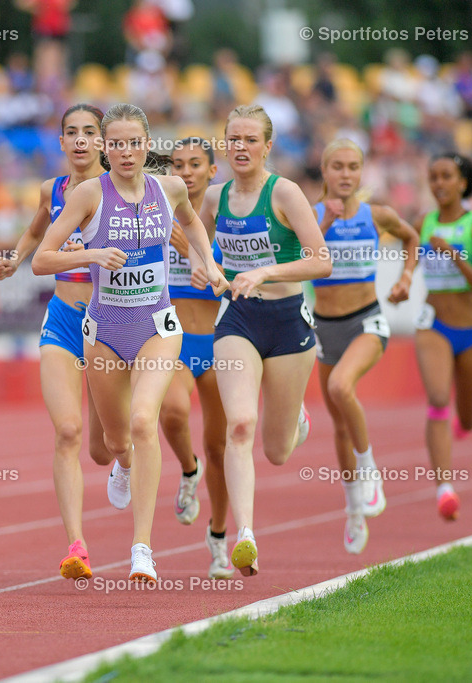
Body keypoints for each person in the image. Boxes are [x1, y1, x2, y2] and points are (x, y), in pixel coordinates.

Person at [32, 103, 225, 583]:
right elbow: (40, 259)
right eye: (114, 143)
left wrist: (210, 262)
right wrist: (95, 252)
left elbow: (193, 221)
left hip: (157, 326)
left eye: (133, 142)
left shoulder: (170, 187)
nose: (124, 151)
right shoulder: (86, 196)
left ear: (145, 144)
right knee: (113, 442)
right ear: (105, 147)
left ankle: (142, 549)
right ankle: (122, 467)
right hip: (104, 331)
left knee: (144, 422)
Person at [197, 104, 332, 576]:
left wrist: (267, 271)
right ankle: (246, 535)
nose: (240, 147)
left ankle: (295, 415)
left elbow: (321, 261)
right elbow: (195, 241)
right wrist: (206, 268)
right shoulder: (214, 199)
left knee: (276, 451)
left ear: (267, 146)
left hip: (288, 321)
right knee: (238, 424)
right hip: (238, 319)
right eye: (233, 138)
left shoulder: (285, 193)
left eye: (250, 139)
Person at [0, 104, 110, 581]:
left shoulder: (121, 190)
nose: (80, 140)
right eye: (71, 133)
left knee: (106, 448)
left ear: (103, 141)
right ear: (60, 142)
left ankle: (124, 459)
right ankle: (76, 545)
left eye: (89, 133)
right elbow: (37, 229)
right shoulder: (51, 189)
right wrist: (14, 258)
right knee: (67, 433)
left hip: (110, 323)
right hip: (62, 320)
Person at [311, 138, 419, 554]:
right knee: (338, 423)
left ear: (361, 172)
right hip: (324, 327)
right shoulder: (309, 214)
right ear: (325, 171)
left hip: (366, 321)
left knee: (341, 388)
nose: (345, 174)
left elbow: (413, 239)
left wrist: (406, 277)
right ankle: (354, 507)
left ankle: (371, 472)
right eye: (337, 166)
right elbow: (292, 256)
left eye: (352, 167)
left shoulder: (378, 215)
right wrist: (321, 225)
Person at [160, 137, 233, 578]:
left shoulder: (230, 223)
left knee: (221, 447)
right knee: (171, 410)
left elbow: (231, 283)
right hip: (173, 339)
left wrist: (190, 249)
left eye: (195, 165)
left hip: (222, 342)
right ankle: (189, 471)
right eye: (177, 165)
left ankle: (220, 538)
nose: (186, 172)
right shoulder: (155, 217)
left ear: (212, 172)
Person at [414, 153, 472, 521]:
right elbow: (408, 263)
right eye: (433, 177)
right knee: (436, 398)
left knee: (470, 416)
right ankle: (444, 489)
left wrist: (455, 257)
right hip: (435, 325)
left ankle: (464, 424)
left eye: (446, 176)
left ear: (463, 183)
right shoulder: (423, 222)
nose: (439, 183)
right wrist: (401, 284)